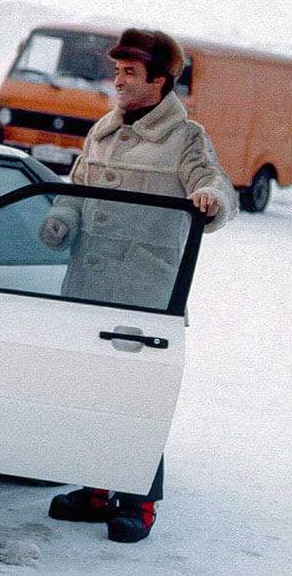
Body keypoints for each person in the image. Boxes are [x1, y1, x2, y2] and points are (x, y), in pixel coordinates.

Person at [39, 28, 237, 543]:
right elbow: (76, 190)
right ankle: (97, 490)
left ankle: (139, 501)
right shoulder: (102, 131)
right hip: (87, 285)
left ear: (159, 80)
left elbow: (213, 183)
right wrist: (62, 219)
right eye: (118, 70)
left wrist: (211, 200)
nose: (118, 80)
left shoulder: (185, 137)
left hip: (145, 295)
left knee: (137, 397)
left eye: (130, 72)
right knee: (90, 391)